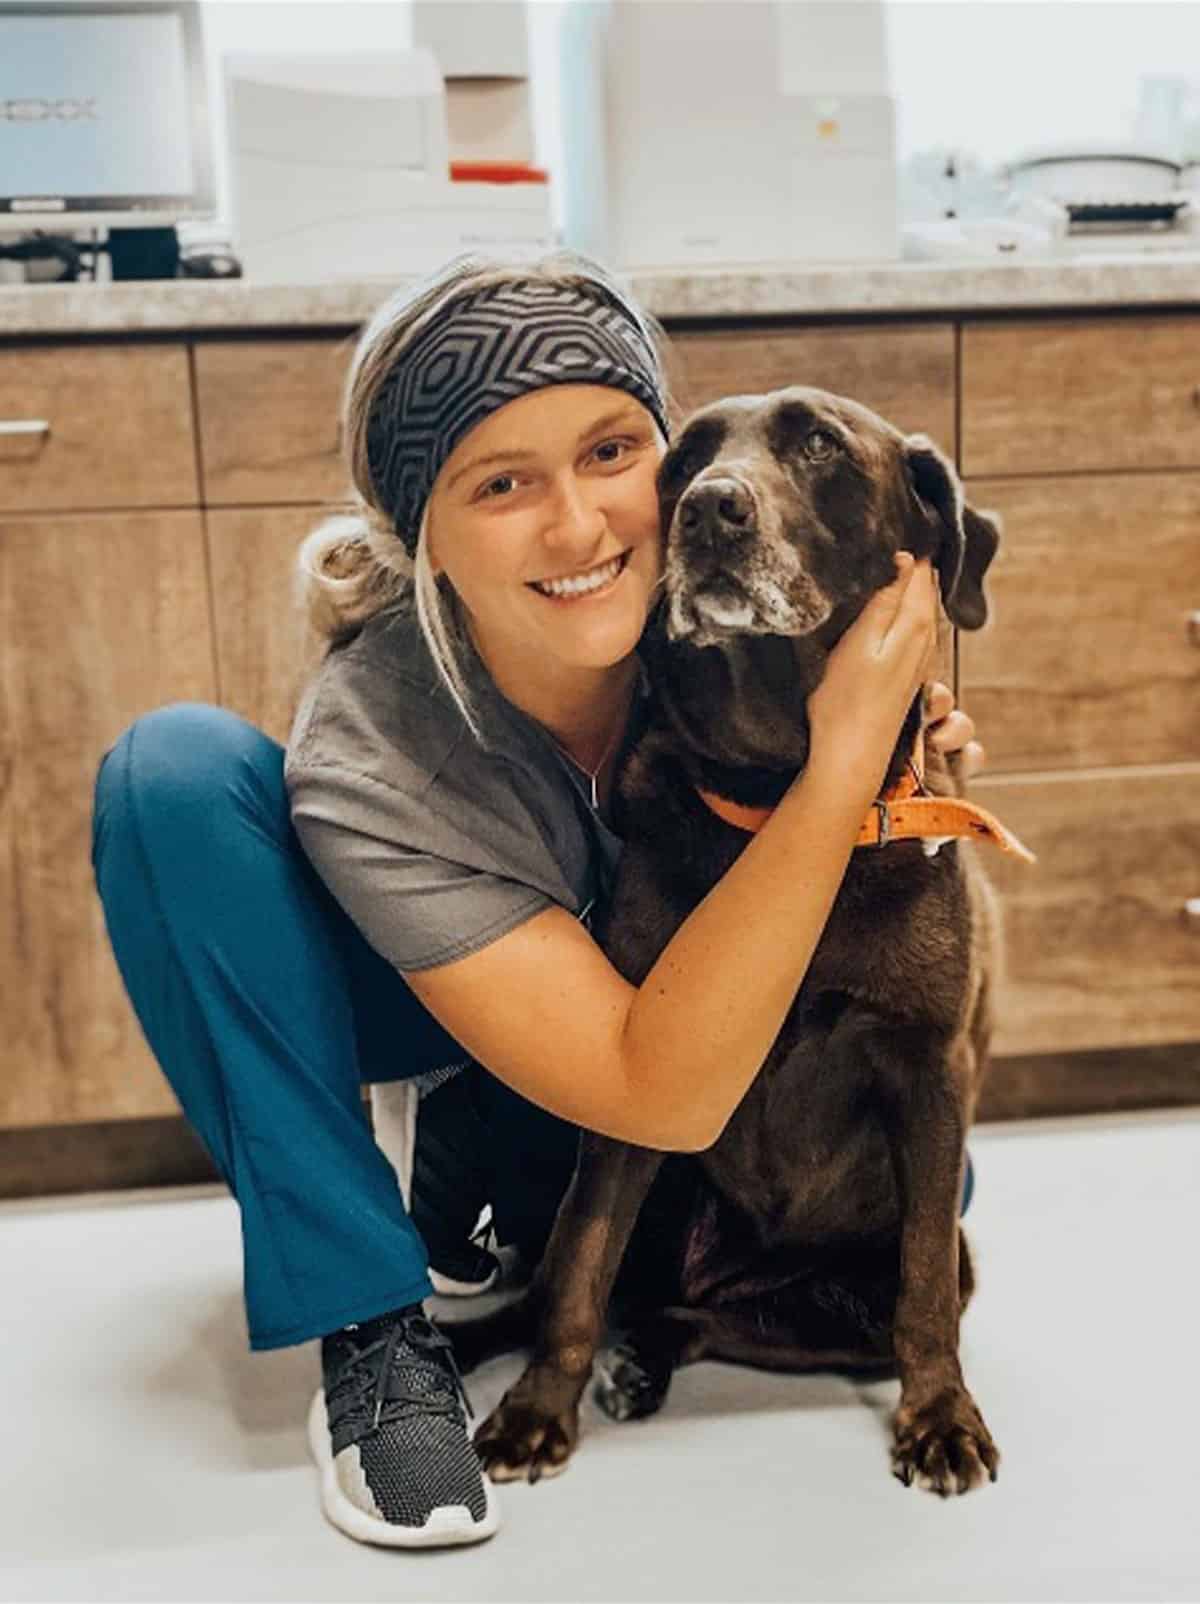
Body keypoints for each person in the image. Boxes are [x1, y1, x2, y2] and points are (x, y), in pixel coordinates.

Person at [90, 250, 985, 1552]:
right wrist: (845, 765)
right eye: (500, 483)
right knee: (170, 775)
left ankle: (491, 1195)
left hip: (732, 1100)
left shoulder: (728, 627)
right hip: (547, 1045)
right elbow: (657, 1088)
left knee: (889, 1203)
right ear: (425, 536)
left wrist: (893, 752)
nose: (578, 529)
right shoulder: (377, 744)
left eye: (615, 451)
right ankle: (375, 1319)